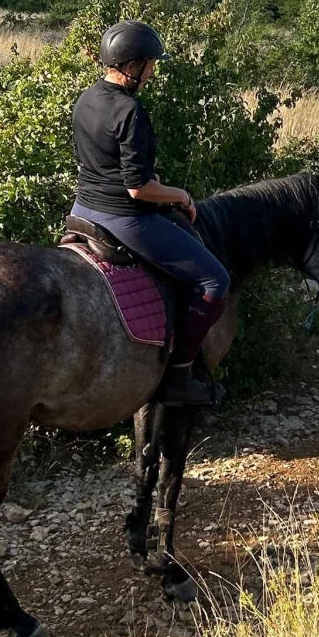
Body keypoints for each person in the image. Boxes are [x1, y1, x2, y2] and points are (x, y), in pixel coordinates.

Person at [70, 20, 228, 407]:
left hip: (82, 208)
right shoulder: (130, 111)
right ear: (132, 65)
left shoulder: (87, 98)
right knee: (215, 280)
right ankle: (178, 376)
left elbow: (99, 163)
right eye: (151, 63)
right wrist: (182, 196)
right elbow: (138, 188)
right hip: (124, 218)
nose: (154, 71)